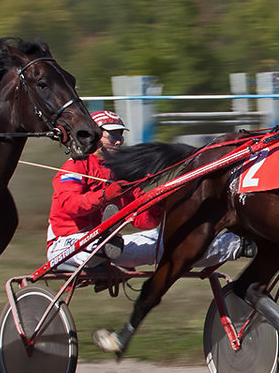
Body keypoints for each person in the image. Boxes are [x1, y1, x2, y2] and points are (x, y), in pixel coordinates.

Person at [46, 109, 251, 271]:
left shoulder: (121, 172)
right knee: (100, 244)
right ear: (95, 136)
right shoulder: (75, 165)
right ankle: (104, 247)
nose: (119, 141)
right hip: (66, 243)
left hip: (108, 243)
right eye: (112, 135)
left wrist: (160, 204)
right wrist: (106, 195)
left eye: (121, 135)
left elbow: (143, 221)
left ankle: (239, 244)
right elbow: (70, 206)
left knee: (171, 241)